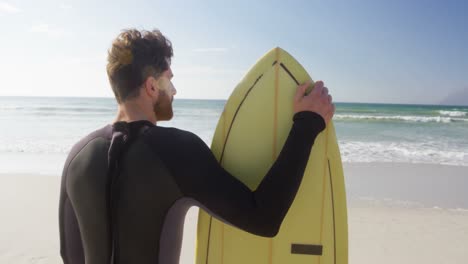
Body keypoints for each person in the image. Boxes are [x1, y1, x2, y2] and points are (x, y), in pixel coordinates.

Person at [59, 29, 335, 264]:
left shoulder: (77, 156)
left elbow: (69, 254)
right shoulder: (176, 150)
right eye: (170, 79)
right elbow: (263, 218)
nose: (175, 91)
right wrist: (307, 123)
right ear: (152, 86)